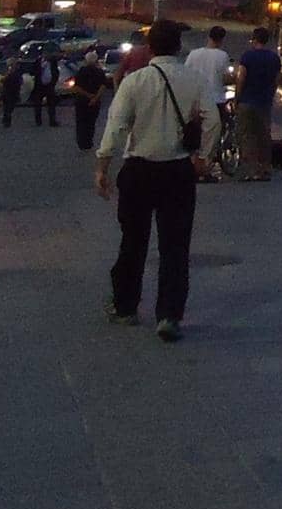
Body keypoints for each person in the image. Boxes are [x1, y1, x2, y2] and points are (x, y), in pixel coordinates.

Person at [95, 19, 205, 343]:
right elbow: (211, 120)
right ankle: (169, 315)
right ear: (178, 47)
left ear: (150, 48)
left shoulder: (134, 82)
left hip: (139, 170)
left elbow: (115, 127)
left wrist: (102, 167)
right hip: (178, 171)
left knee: (133, 241)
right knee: (175, 246)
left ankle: (126, 307)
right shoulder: (194, 80)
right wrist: (203, 157)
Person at [232, 27, 281, 182]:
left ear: (254, 40)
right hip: (264, 102)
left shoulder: (247, 56)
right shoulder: (274, 58)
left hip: (247, 101)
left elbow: (241, 78)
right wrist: (271, 95)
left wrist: (237, 98)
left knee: (246, 136)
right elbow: (276, 80)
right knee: (264, 136)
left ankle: (251, 170)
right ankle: (265, 168)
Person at [184, 27, 234, 151]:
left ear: (209, 37)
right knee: (215, 133)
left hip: (195, 100)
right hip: (215, 100)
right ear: (222, 40)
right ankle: (209, 158)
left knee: (193, 130)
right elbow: (225, 78)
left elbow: (186, 73)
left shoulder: (193, 54)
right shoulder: (223, 56)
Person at [70, 50, 112, 152]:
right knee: (91, 122)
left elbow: (76, 87)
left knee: (81, 122)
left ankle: (82, 143)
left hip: (81, 101)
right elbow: (103, 86)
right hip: (95, 101)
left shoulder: (81, 71)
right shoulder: (100, 72)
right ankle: (89, 142)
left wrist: (88, 95)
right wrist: (95, 97)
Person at [27, 53, 60, 127]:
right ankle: (38, 121)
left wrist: (54, 81)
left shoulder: (52, 62)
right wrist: (41, 68)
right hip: (39, 86)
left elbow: (56, 72)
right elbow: (32, 72)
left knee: (51, 104)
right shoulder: (38, 62)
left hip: (49, 86)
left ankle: (52, 121)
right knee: (38, 105)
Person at [0, 57, 25, 128]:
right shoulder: (10, 72)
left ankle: (6, 119)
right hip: (9, 92)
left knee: (9, 107)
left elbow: (19, 81)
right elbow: (3, 80)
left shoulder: (15, 72)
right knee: (7, 107)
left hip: (12, 92)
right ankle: (6, 120)